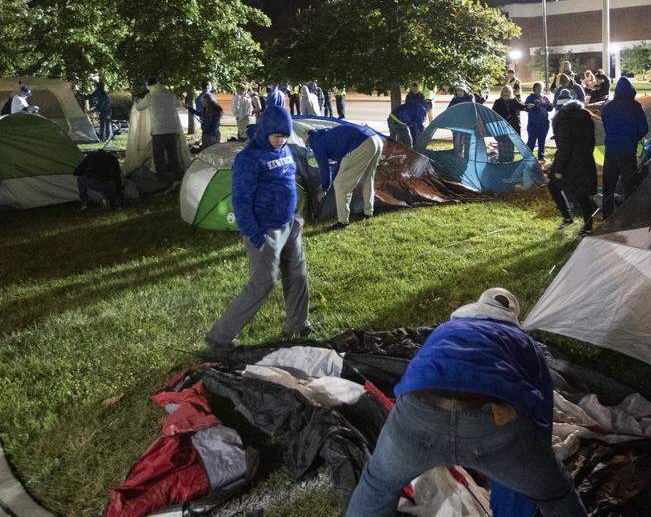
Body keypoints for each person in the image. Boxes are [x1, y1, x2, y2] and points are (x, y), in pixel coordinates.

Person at [345, 288, 587, 517]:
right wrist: (532, 461)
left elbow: (416, 376)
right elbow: (541, 413)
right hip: (494, 420)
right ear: (512, 318)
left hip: (419, 412)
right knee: (556, 495)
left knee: (378, 485)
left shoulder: (444, 331)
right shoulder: (522, 342)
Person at [205, 104, 309, 352]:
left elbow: (288, 181)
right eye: (276, 136)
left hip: (290, 224)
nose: (281, 141)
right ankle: (219, 338)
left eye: (285, 135)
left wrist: (294, 216)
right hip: (264, 230)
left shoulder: (285, 150)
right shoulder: (249, 158)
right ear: (264, 132)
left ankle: (298, 325)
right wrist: (256, 235)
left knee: (297, 275)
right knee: (263, 282)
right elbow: (240, 201)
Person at [307, 121, 384, 230]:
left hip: (362, 143)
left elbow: (324, 168)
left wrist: (324, 188)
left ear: (308, 141)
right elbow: (340, 164)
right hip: (376, 139)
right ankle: (368, 212)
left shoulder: (316, 143)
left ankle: (342, 222)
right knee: (368, 178)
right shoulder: (327, 135)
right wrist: (330, 182)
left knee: (340, 184)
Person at [600, 77, 648, 218]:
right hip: (628, 152)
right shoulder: (635, 107)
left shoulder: (608, 107)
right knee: (629, 187)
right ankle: (629, 217)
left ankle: (607, 217)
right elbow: (644, 129)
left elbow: (606, 125)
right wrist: (633, 138)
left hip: (611, 152)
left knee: (608, 187)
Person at [549, 100, 597, 234]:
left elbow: (565, 147)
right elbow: (592, 141)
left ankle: (567, 218)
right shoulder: (585, 117)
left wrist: (558, 169)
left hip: (570, 164)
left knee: (553, 186)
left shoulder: (563, 121)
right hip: (586, 160)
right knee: (583, 195)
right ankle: (588, 227)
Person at [134, 74, 184, 183]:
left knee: (159, 158)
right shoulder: (169, 94)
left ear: (149, 85)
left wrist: (137, 100)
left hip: (158, 132)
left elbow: (139, 108)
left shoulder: (149, 97)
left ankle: (162, 180)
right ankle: (179, 179)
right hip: (172, 131)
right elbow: (179, 103)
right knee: (173, 157)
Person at [492, 86, 523, 163]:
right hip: (501, 127)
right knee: (502, 143)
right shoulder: (498, 102)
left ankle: (510, 159)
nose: (506, 96)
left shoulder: (514, 101)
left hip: (512, 126)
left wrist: (527, 106)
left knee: (511, 143)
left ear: (510, 94)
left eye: (508, 94)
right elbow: (493, 113)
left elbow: (521, 106)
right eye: (504, 94)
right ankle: (502, 159)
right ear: (502, 94)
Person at [524, 82, 552, 162]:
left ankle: (541, 157)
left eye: (541, 88)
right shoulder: (530, 97)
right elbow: (526, 108)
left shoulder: (544, 98)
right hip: (533, 123)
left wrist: (550, 106)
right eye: (538, 88)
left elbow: (549, 108)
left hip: (544, 123)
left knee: (542, 141)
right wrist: (530, 106)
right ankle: (527, 158)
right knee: (531, 141)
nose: (539, 90)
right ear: (534, 89)